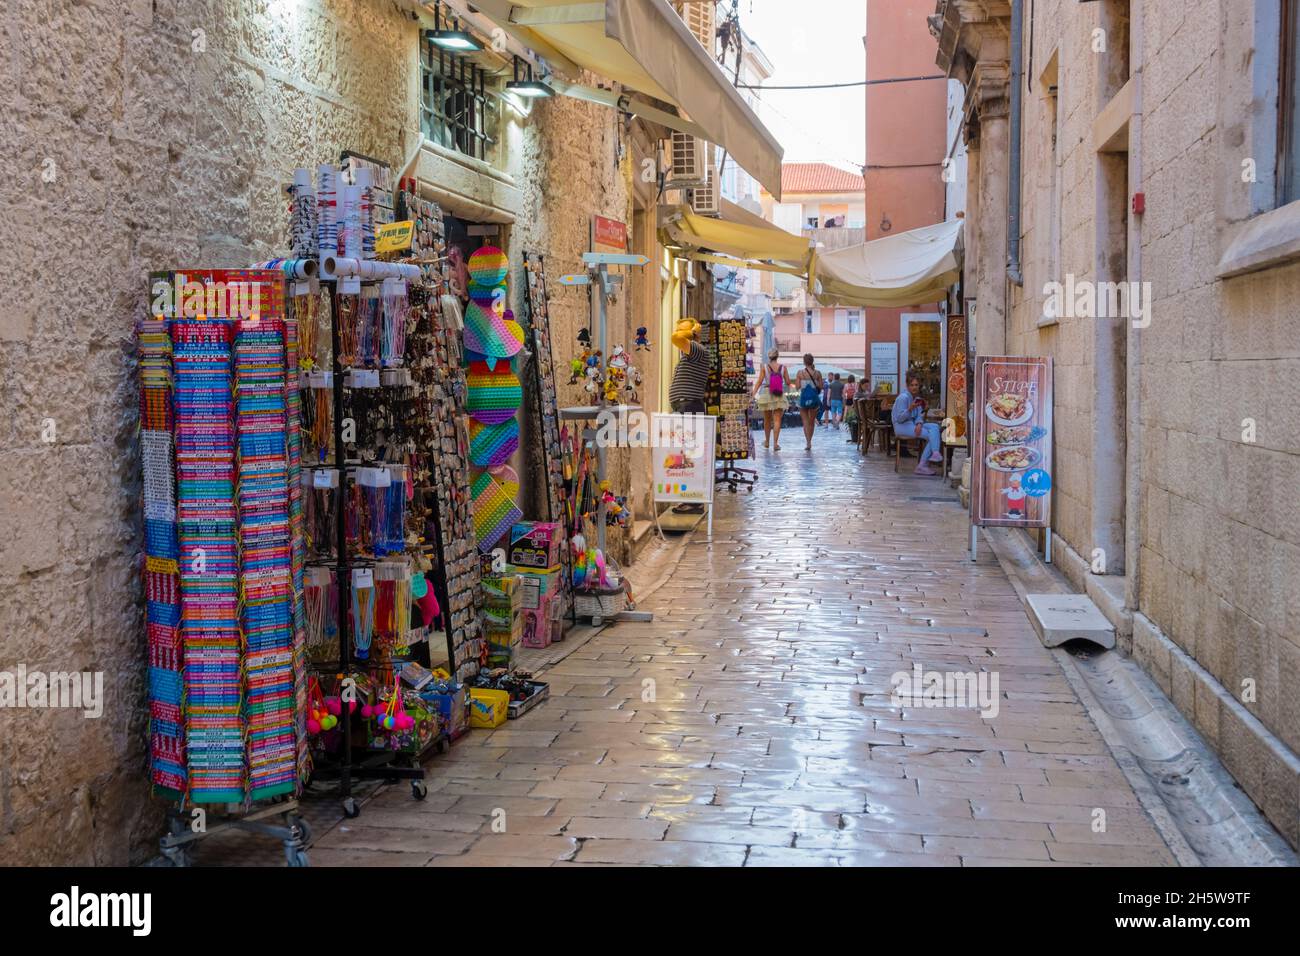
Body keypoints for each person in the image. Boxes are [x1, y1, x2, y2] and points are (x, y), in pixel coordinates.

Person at [892, 373, 945, 475]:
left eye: (916, 385)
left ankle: (935, 453)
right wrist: (910, 409)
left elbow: (919, 416)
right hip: (901, 426)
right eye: (912, 385)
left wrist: (919, 424)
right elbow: (899, 419)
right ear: (907, 386)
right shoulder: (903, 398)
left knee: (935, 427)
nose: (914, 387)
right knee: (931, 436)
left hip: (911, 424)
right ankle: (922, 465)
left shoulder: (916, 398)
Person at [752, 348, 791, 450]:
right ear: (777, 356)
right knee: (777, 419)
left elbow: (759, 382)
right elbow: (787, 382)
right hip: (778, 393)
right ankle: (775, 444)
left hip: (767, 393)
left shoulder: (764, 367)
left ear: (769, 357)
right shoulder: (783, 368)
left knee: (767, 420)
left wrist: (753, 393)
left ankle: (767, 442)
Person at [668, 318, 709, 414]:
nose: (678, 333)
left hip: (689, 405)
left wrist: (692, 332)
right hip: (685, 406)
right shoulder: (690, 354)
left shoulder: (698, 349)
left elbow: (675, 338)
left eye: (680, 331)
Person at [795, 353, 824, 451]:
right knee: (811, 422)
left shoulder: (800, 373)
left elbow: (797, 387)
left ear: (804, 362)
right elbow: (821, 387)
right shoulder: (818, 373)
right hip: (814, 399)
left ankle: (807, 442)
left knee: (805, 421)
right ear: (812, 361)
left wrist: (804, 384)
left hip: (803, 399)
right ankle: (809, 442)